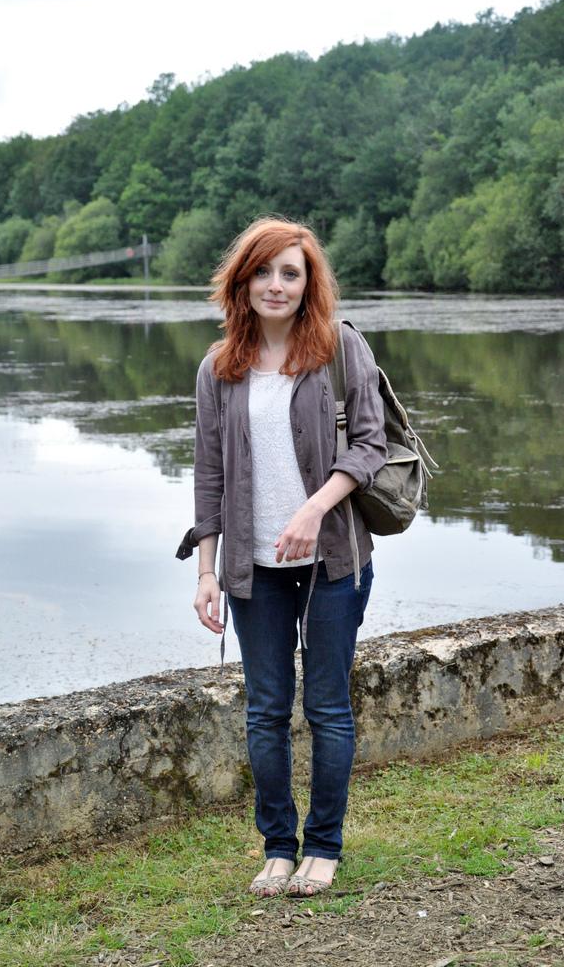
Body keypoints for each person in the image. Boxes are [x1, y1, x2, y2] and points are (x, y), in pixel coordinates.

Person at [176, 216, 387, 898]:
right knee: (265, 711)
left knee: (327, 708)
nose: (276, 284)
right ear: (242, 282)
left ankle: (323, 847)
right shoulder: (219, 368)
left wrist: (313, 508)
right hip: (252, 571)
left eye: (290, 273)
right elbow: (209, 475)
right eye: (263, 272)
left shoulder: (339, 347)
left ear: (307, 283)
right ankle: (277, 847)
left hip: (334, 562)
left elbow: (371, 445)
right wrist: (206, 571)